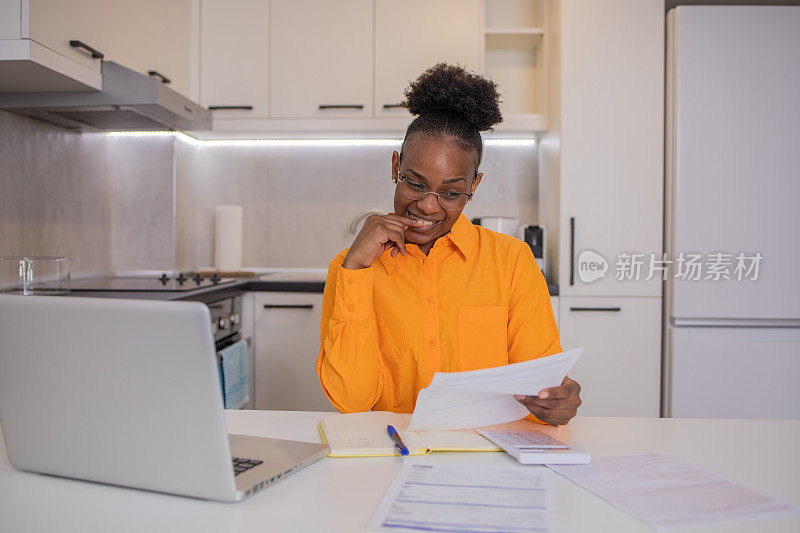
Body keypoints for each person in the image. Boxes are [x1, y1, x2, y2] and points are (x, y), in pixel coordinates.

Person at [316, 63, 581, 426]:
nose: (427, 205)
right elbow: (351, 402)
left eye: (452, 192)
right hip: (393, 452)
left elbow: (537, 390)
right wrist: (355, 273)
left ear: (475, 185)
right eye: (414, 183)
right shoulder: (349, 268)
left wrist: (555, 402)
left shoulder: (513, 261)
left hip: (484, 458)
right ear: (396, 167)